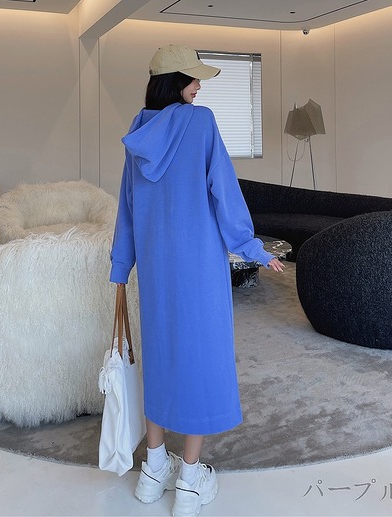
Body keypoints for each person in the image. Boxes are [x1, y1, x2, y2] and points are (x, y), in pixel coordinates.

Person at [110, 44, 284, 517]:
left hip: (156, 270)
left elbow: (127, 207)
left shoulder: (137, 131)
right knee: (200, 363)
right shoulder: (200, 122)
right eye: (193, 78)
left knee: (161, 358)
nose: (198, 87)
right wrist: (251, 247)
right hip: (199, 269)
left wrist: (120, 267)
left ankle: (152, 471)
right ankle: (189, 480)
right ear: (174, 82)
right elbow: (223, 192)